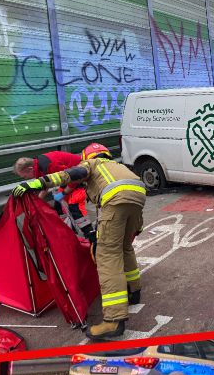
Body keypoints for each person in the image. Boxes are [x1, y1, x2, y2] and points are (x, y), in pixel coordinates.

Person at [13, 142, 145, 340]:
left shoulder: (92, 164)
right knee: (125, 248)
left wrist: (37, 184)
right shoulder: (118, 166)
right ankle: (134, 292)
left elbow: (67, 176)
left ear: (88, 157)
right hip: (138, 198)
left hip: (116, 200)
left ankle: (113, 321)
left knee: (107, 256)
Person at [13, 152, 95, 246]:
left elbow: (73, 178)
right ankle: (70, 233)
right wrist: (36, 201)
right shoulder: (38, 165)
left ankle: (90, 235)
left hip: (83, 178)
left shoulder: (50, 166)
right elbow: (46, 183)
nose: (26, 179)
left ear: (29, 169)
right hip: (71, 177)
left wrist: (64, 193)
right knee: (59, 206)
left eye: (25, 176)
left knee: (74, 207)